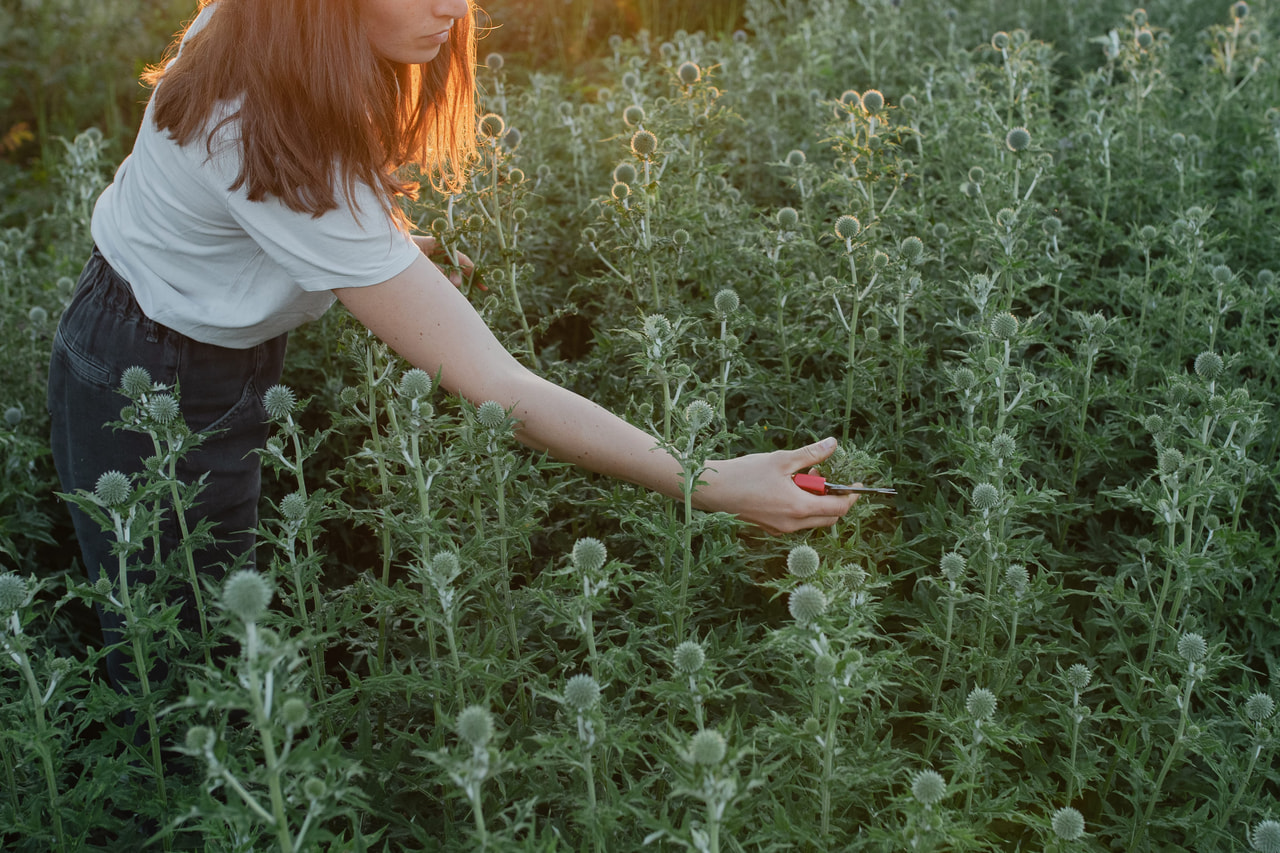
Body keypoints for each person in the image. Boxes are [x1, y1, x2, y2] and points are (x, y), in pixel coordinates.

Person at [47, 0, 860, 685]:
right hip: (148, 379)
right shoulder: (265, 128)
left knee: (221, 641)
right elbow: (502, 388)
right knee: (189, 679)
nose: (451, 7)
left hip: (183, 334)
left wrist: (385, 255)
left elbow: (266, 202)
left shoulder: (262, 25)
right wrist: (712, 482)